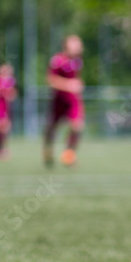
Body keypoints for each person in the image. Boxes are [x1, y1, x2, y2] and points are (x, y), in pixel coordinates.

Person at [43, 35, 85, 168]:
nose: (78, 46)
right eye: (75, 43)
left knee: (77, 126)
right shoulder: (57, 60)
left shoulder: (78, 61)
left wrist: (78, 85)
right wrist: (69, 85)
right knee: (52, 128)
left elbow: (76, 79)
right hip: (59, 100)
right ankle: (48, 151)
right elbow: (51, 80)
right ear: (66, 45)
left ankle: (69, 155)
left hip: (73, 100)